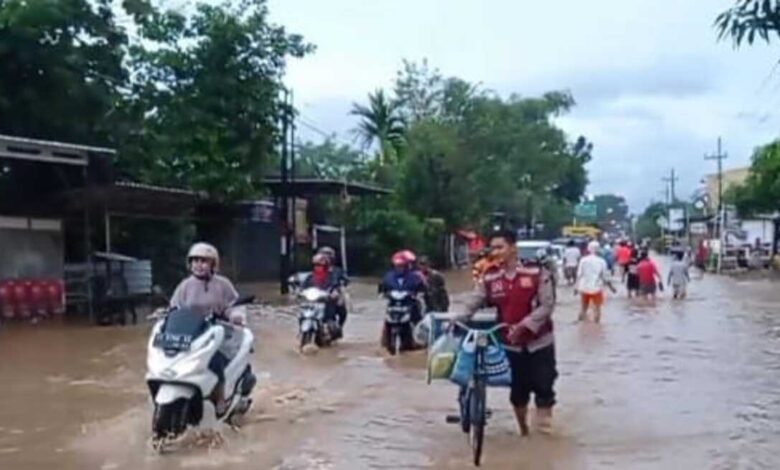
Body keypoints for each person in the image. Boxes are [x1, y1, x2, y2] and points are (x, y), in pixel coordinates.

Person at [461, 229, 557, 436]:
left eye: (500, 247)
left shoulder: (536, 272)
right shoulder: (490, 276)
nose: (495, 252)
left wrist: (525, 325)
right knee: (518, 392)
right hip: (510, 343)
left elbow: (547, 305)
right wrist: (458, 318)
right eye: (493, 248)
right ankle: (524, 430)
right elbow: (474, 300)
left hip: (539, 341)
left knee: (544, 388)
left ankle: (544, 434)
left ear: (513, 247)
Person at [169, 242, 240, 415]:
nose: (199, 265)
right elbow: (174, 308)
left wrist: (234, 316)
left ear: (213, 264)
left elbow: (233, 305)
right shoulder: (184, 286)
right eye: (195, 261)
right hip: (191, 333)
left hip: (216, 332)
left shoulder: (223, 284)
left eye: (204, 261)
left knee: (215, 360)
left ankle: (220, 397)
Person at [302, 253, 347, 331]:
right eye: (316, 265)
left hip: (327, 300)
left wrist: (335, 292)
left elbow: (335, 285)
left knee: (339, 308)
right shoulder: (310, 277)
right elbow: (303, 287)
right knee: (302, 312)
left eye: (320, 266)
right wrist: (300, 292)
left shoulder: (331, 275)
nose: (317, 267)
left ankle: (335, 328)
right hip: (313, 302)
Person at [575, 241, 615, 323]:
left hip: (584, 288)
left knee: (583, 308)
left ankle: (580, 326)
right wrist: (611, 287)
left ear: (588, 249)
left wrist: (576, 287)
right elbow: (605, 277)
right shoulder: (602, 261)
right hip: (596, 288)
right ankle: (597, 326)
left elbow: (579, 275)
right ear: (598, 250)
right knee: (597, 309)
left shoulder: (583, 260)